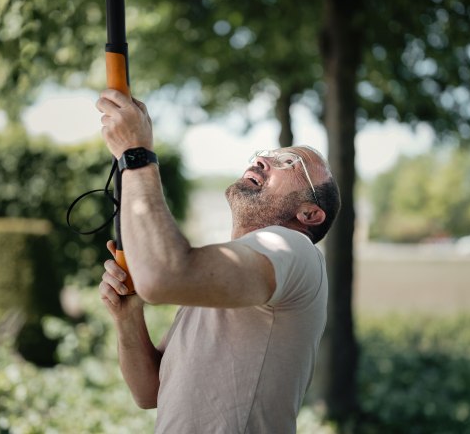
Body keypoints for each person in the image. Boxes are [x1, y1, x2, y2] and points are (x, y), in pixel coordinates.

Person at [95, 89, 340, 433]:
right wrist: (128, 315)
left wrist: (136, 154)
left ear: (310, 213)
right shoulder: (226, 272)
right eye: (264, 154)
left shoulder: (291, 247)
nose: (261, 160)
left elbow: (163, 276)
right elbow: (149, 391)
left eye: (289, 163)